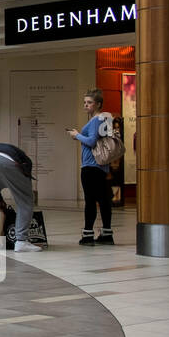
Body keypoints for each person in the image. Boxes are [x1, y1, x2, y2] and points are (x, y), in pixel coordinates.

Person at [0, 142, 42, 252]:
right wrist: (26, 189)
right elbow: (27, 171)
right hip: (7, 161)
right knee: (25, 201)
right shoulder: (23, 158)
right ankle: (21, 241)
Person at [68, 88, 113, 245]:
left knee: (90, 200)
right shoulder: (105, 119)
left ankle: (87, 235)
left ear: (98, 104)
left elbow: (92, 141)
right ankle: (107, 233)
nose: (86, 105)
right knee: (104, 200)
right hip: (101, 167)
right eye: (85, 103)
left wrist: (77, 135)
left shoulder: (96, 120)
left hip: (90, 166)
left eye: (89, 103)